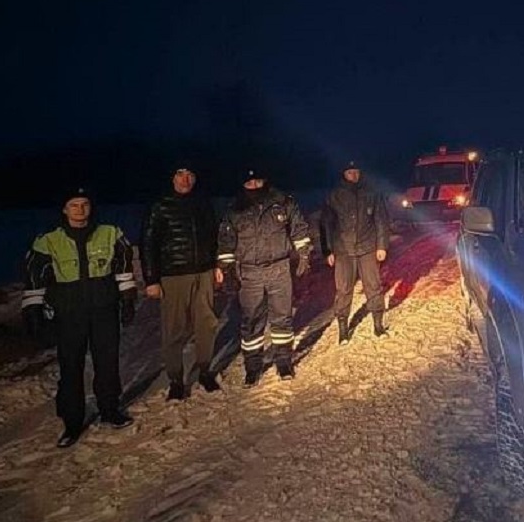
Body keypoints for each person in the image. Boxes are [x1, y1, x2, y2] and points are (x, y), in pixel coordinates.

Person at [21, 188, 136, 448]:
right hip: (69, 314)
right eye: (74, 205)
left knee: (107, 363)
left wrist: (128, 299)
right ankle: (72, 422)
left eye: (84, 204)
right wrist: (33, 309)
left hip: (103, 310)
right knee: (70, 367)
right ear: (64, 209)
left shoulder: (110, 233)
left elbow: (123, 267)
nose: (80, 209)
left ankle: (110, 410)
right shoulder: (48, 240)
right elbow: (34, 275)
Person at [218, 168, 312, 386]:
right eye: (249, 183)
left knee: (282, 317)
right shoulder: (235, 209)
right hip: (249, 273)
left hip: (279, 269)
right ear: (243, 185)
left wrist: (304, 255)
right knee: (251, 321)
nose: (254, 187)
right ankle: (253, 367)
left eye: (258, 182)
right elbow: (226, 242)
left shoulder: (282, 202)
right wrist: (227, 269)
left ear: (265, 181)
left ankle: (283, 362)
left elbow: (299, 229)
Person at [141, 165, 222, 400]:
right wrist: (151, 279)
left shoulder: (203, 203)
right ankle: (176, 379)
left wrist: (217, 265)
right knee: (174, 328)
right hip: (173, 275)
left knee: (207, 323)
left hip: (203, 272)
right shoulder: (160, 206)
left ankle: (205, 371)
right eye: (180, 174)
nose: (185, 180)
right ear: (172, 177)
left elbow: (214, 236)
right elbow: (148, 243)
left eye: (190, 175)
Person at [321, 161, 390, 344]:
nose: (354, 175)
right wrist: (328, 250)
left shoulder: (371, 192)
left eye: (356, 171)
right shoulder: (335, 195)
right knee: (343, 289)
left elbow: (381, 219)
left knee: (373, 285)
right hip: (343, 249)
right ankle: (343, 328)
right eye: (350, 172)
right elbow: (327, 223)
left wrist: (382, 245)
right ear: (344, 174)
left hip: (367, 247)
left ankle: (378, 324)